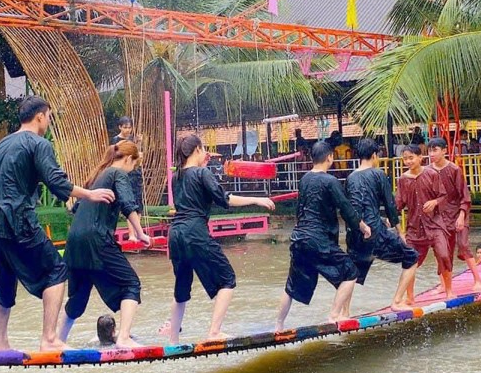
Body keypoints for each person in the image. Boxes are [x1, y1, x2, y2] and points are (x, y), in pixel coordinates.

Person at [0, 96, 115, 352]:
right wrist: (90, 194)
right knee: (57, 270)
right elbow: (56, 182)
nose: (48, 122)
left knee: (5, 280)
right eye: (49, 117)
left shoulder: (2, 144)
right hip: (17, 218)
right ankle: (49, 339)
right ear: (40, 116)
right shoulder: (38, 143)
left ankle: (1, 343)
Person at [165, 134, 275, 343]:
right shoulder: (202, 173)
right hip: (194, 232)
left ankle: (172, 341)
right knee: (227, 279)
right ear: (197, 149)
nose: (206, 152)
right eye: (204, 148)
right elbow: (225, 199)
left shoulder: (176, 176)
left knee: (181, 288)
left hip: (176, 234)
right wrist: (258, 200)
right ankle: (214, 332)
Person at [61, 140, 152, 348]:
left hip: (74, 242)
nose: (132, 170)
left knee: (79, 295)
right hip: (97, 239)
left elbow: (75, 209)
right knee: (131, 284)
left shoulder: (97, 177)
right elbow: (129, 204)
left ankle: (58, 340)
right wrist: (140, 234)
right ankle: (124, 337)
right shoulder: (117, 174)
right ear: (128, 159)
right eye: (134, 166)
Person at [276, 141, 369, 330]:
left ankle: (278, 325)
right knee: (351, 273)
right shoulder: (330, 181)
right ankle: (334, 315)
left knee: (291, 286)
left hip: (299, 238)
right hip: (318, 240)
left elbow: (300, 209)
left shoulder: (304, 179)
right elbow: (346, 208)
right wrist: (362, 226)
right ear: (330, 157)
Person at [344, 138, 418, 313]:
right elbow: (390, 205)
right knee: (412, 257)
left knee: (351, 274)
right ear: (374, 155)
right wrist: (400, 232)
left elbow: (352, 207)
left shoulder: (350, 178)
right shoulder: (378, 174)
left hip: (356, 233)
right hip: (376, 233)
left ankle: (343, 312)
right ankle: (397, 301)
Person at [395, 145, 453, 300]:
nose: (408, 161)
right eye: (405, 158)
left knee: (443, 255)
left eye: (411, 158)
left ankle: (449, 291)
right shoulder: (403, 179)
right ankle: (410, 297)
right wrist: (391, 217)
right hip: (414, 227)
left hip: (435, 224)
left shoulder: (432, 174)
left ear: (420, 158)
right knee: (410, 262)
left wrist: (434, 202)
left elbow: (443, 196)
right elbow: (398, 203)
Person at [426, 137, 481, 292]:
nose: (432, 154)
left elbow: (464, 196)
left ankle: (477, 279)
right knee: (441, 250)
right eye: (430, 150)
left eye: (435, 150)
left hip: (457, 213)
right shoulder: (427, 171)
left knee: (464, 245)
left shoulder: (454, 169)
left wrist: (461, 215)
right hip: (439, 217)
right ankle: (444, 284)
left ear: (444, 150)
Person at [110, 116, 144, 212]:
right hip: (124, 173)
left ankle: (137, 224)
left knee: (138, 202)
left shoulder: (133, 139)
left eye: (129, 127)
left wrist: (138, 145)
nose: (128, 130)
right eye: (125, 127)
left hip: (135, 172)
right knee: (130, 202)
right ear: (120, 127)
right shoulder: (115, 141)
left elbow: (135, 154)